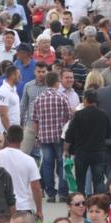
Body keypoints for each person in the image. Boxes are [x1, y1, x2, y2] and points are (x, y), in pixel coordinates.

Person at [32, 72, 73, 202]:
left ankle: (50, 193)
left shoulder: (39, 99)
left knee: (48, 164)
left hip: (44, 137)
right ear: (57, 82)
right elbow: (69, 117)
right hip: (60, 136)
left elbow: (35, 120)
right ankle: (62, 193)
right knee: (62, 164)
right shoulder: (62, 97)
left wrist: (37, 136)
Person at [65, 89, 111, 195]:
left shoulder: (78, 115)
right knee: (99, 180)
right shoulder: (103, 114)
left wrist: (66, 150)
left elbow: (69, 134)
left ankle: (80, 203)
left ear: (85, 100)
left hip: (81, 152)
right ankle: (98, 204)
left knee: (80, 181)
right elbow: (108, 134)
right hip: (99, 152)